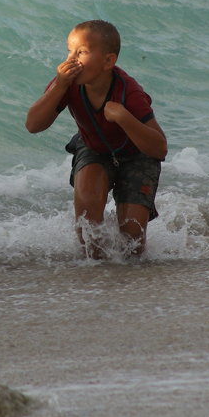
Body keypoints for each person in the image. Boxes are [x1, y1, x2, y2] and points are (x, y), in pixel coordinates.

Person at [25, 20, 167, 259]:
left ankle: (127, 285)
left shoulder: (128, 92)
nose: (71, 59)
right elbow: (32, 125)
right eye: (69, 51)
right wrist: (59, 86)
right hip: (94, 147)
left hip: (137, 155)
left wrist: (124, 117)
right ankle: (96, 278)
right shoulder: (67, 83)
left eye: (81, 52)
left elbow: (159, 148)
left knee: (133, 243)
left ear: (108, 61)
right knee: (88, 226)